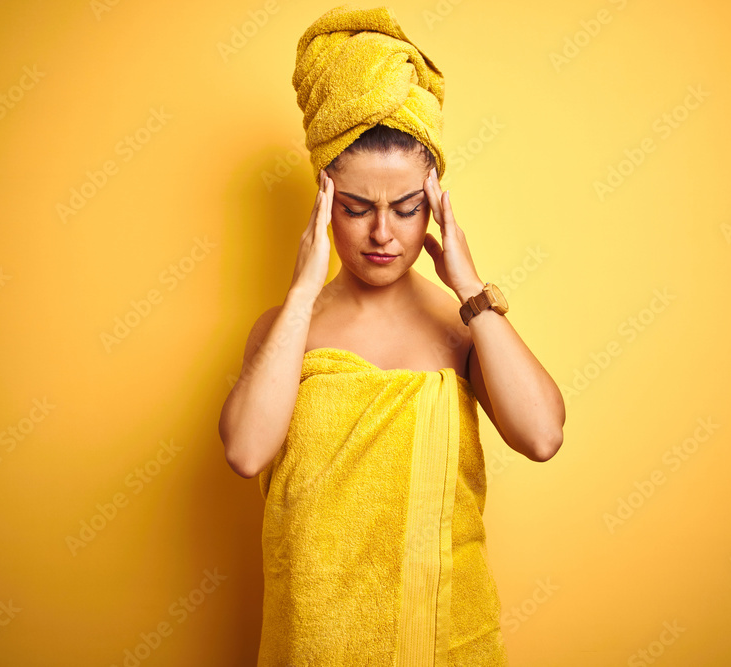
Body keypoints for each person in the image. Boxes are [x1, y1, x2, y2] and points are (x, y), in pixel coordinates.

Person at [218, 5, 565, 665]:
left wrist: (470, 288)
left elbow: (543, 434)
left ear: (435, 200)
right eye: (356, 208)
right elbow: (246, 449)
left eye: (406, 208)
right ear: (324, 198)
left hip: (439, 643)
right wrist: (300, 291)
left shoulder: (461, 327)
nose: (383, 233)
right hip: (313, 646)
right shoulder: (286, 329)